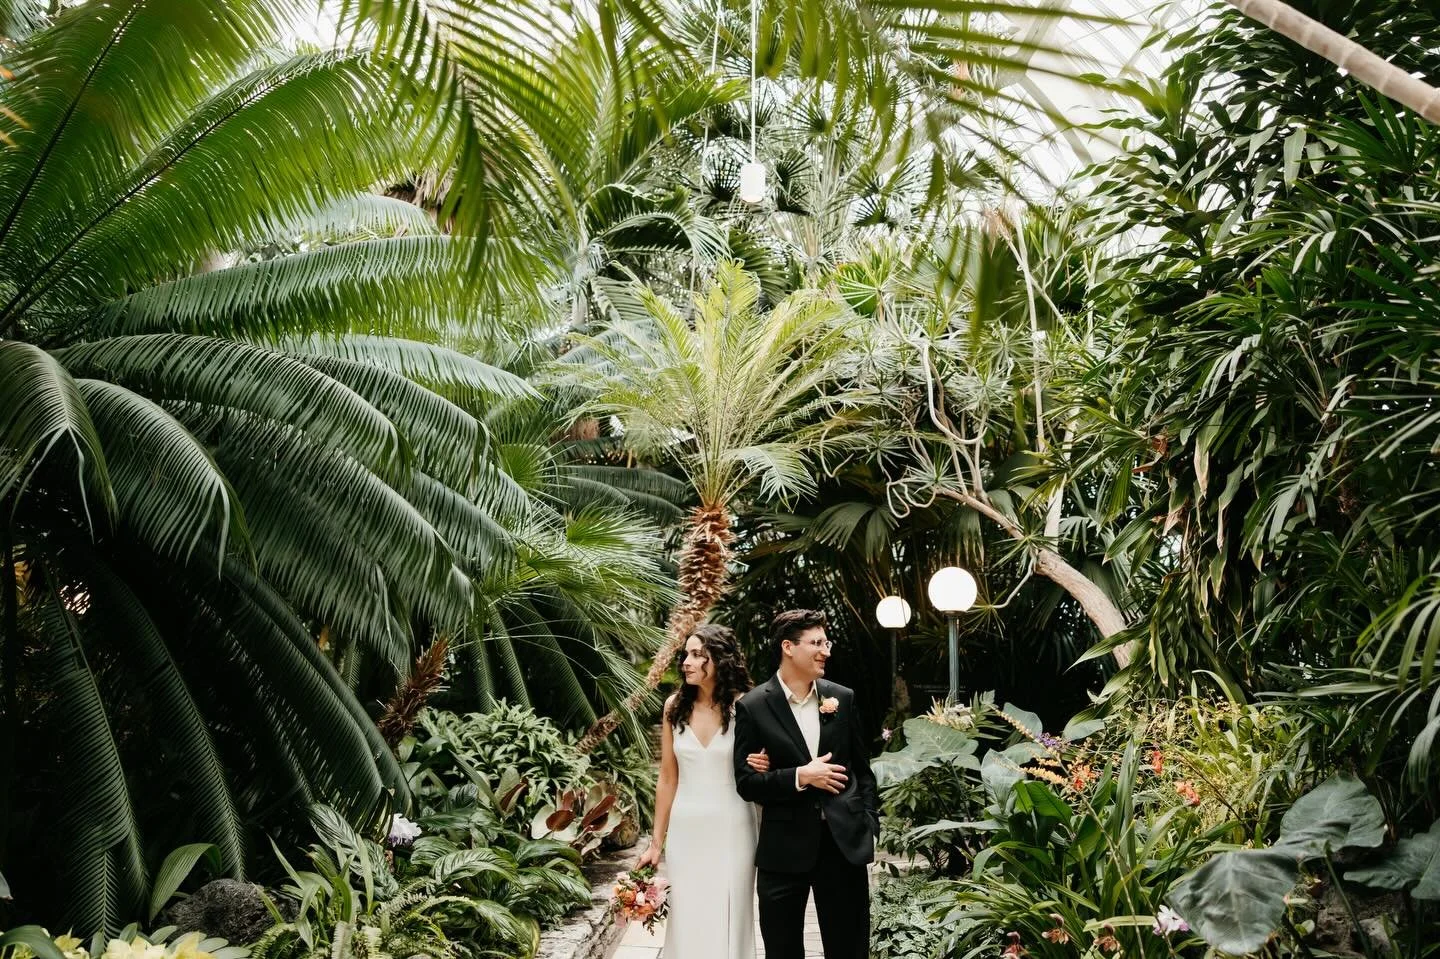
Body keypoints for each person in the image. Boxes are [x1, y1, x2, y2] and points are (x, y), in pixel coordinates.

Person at [733, 609, 879, 959]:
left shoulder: (842, 697)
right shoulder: (753, 706)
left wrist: (869, 822)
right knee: (782, 950)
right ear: (788, 647)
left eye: (826, 643)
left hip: (842, 844)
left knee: (849, 950)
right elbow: (747, 783)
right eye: (816, 643)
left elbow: (863, 770)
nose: (825, 651)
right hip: (783, 849)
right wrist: (801, 775)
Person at [637, 623, 770, 959]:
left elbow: (766, 760)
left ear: (720, 660)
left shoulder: (747, 706)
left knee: (732, 912)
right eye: (686, 654)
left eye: (698, 655)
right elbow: (668, 778)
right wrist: (656, 843)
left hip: (734, 825)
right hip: (687, 827)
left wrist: (765, 763)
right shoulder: (674, 707)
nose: (686, 662)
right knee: (688, 913)